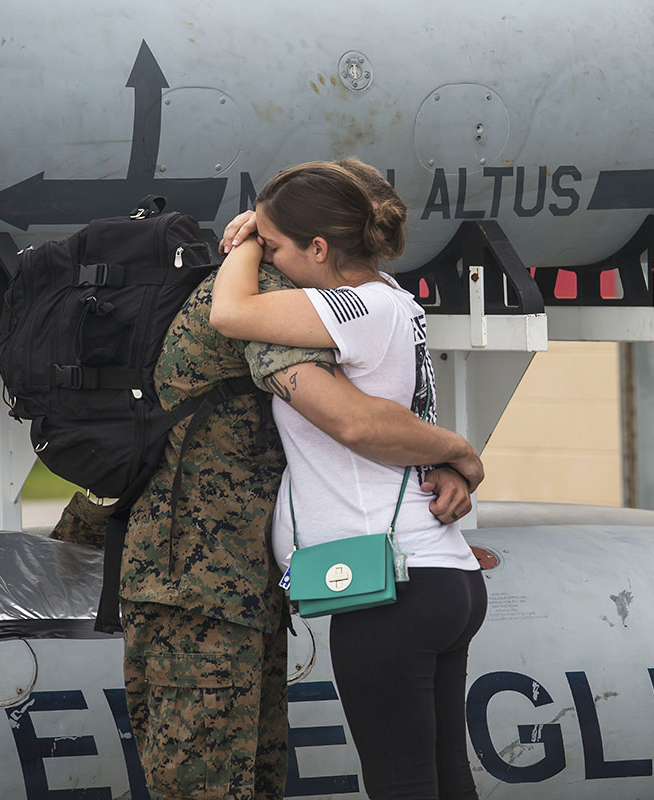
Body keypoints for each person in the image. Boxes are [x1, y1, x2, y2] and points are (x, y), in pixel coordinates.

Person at [120, 184, 484, 799]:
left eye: (276, 246)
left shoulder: (351, 308)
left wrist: (240, 242)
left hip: (388, 590)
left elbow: (237, 320)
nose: (270, 260)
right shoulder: (395, 300)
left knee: (403, 784)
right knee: (445, 778)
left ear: (319, 248)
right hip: (441, 577)